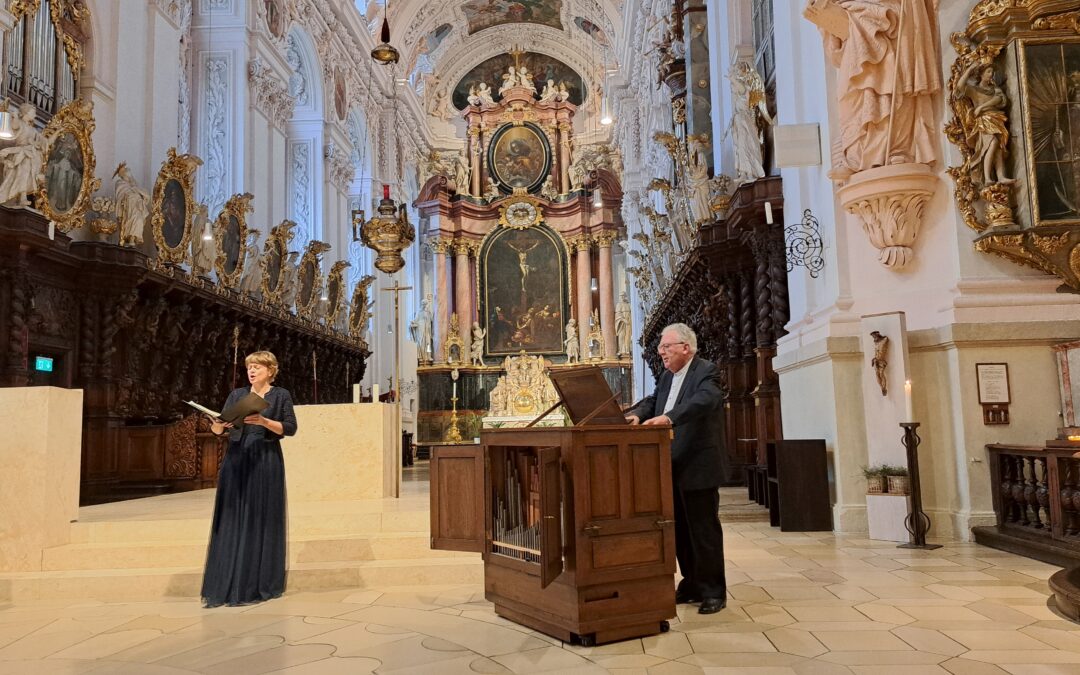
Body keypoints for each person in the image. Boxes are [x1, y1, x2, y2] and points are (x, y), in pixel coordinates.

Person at [625, 323, 726, 614]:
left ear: (686, 347)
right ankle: (692, 582)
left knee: (703, 529)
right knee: (679, 529)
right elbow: (655, 401)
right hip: (669, 462)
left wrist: (668, 419)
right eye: (660, 347)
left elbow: (705, 401)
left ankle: (713, 591)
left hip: (698, 462)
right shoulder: (668, 377)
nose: (661, 352)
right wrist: (637, 415)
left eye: (666, 346)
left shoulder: (706, 371)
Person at [201, 350, 298, 607]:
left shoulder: (280, 395)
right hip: (237, 458)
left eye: (257, 367)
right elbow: (219, 430)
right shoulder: (237, 395)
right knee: (234, 516)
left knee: (261, 516)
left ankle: (258, 581)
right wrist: (218, 425)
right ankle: (231, 578)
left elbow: (290, 428)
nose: (252, 371)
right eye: (249, 367)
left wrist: (264, 421)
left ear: (270, 370)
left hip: (265, 459)